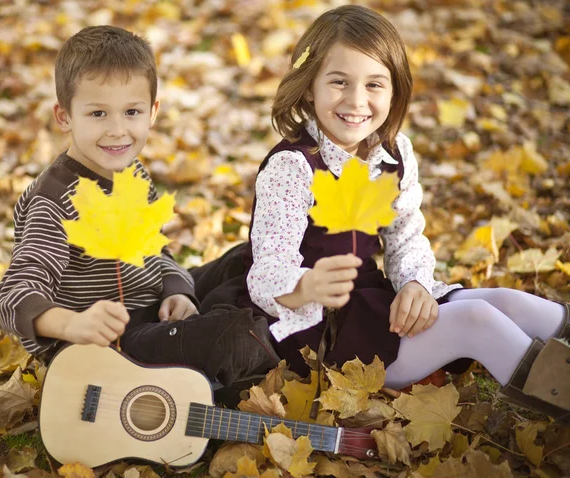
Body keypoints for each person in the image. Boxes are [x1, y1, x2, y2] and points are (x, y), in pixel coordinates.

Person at [192, 5, 569, 422]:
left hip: (373, 299)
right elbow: (266, 274)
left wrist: (415, 284)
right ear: (310, 87)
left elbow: (406, 238)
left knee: (508, 303)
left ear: (395, 92)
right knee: (477, 319)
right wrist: (308, 284)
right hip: (319, 331)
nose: (356, 101)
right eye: (339, 82)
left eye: (374, 84)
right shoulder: (294, 167)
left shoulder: (391, 152)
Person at [0, 25, 278, 388]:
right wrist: (71, 324)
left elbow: (154, 251)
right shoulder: (53, 200)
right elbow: (13, 294)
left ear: (153, 112)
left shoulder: (132, 173)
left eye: (131, 112)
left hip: (151, 309)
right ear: (64, 116)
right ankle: (224, 342)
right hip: (108, 347)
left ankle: (215, 321)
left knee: (249, 257)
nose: (117, 130)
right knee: (235, 335)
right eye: (98, 114)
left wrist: (177, 289)